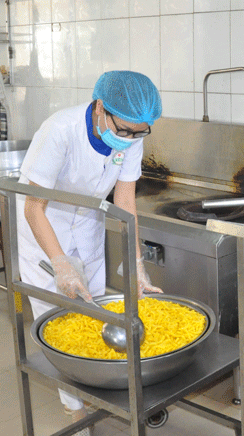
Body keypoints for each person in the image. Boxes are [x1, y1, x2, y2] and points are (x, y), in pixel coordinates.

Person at [16, 70, 164, 436]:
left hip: (87, 228)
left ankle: (100, 392)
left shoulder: (131, 136)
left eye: (139, 132)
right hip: (46, 230)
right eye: (125, 130)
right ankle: (77, 414)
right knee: (60, 327)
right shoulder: (60, 131)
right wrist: (61, 264)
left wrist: (137, 263)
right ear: (101, 107)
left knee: (95, 316)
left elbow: (125, 200)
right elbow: (34, 206)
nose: (129, 139)